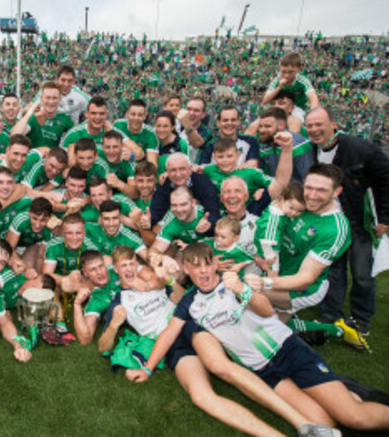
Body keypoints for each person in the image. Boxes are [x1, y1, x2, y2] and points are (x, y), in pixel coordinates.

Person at [139, 242, 389, 433]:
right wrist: (148, 369)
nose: (202, 271)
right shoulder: (190, 303)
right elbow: (170, 333)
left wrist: (241, 290)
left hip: (288, 351)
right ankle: (349, 392)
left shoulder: (232, 283)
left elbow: (267, 310)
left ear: (215, 264)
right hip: (265, 372)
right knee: (324, 423)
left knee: (353, 417)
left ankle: (353, 399)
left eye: (206, 264)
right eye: (195, 266)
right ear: (186, 268)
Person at [245, 164, 367, 350]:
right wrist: (266, 259)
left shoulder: (334, 229)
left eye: (321, 190)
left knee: (252, 322)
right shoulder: (299, 201)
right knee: (268, 328)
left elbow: (305, 279)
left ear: (337, 191)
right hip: (276, 274)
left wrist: (266, 282)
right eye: (309, 187)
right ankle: (337, 330)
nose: (311, 195)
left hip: (301, 289)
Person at [306, 107, 389, 335]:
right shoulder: (309, 150)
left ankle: (362, 319)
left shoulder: (361, 149)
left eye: (318, 124)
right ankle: (331, 313)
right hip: (330, 222)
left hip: (359, 221)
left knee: (362, 272)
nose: (314, 130)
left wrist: (384, 217)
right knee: (333, 268)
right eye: (310, 126)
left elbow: (385, 179)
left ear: (334, 123)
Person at [150, 153, 219, 229]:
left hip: (200, 229)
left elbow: (213, 211)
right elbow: (156, 212)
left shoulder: (203, 184)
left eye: (182, 169)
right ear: (167, 172)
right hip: (178, 229)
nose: (178, 174)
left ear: (190, 169)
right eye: (173, 170)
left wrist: (208, 223)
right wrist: (148, 221)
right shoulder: (165, 186)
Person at [253, 107, 313, 182]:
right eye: (260, 126)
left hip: (296, 191)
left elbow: (309, 180)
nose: (262, 130)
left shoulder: (300, 147)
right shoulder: (264, 146)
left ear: (281, 126)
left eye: (267, 126)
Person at [10, 81, 74, 148]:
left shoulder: (64, 119)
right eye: (48, 97)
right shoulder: (34, 117)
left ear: (59, 99)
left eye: (54, 98)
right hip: (32, 157)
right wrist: (30, 111)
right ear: (41, 98)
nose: (51, 102)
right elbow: (14, 136)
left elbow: (77, 136)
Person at [113, 99, 158, 165]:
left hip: (139, 169)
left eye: (140, 115)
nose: (136, 118)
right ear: (127, 114)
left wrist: (133, 156)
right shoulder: (118, 125)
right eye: (133, 114)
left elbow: (152, 163)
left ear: (145, 116)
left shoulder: (151, 134)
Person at [154, 110, 188, 177]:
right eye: (158, 126)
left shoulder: (181, 144)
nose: (161, 129)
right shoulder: (154, 142)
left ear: (173, 127)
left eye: (165, 126)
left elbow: (185, 169)